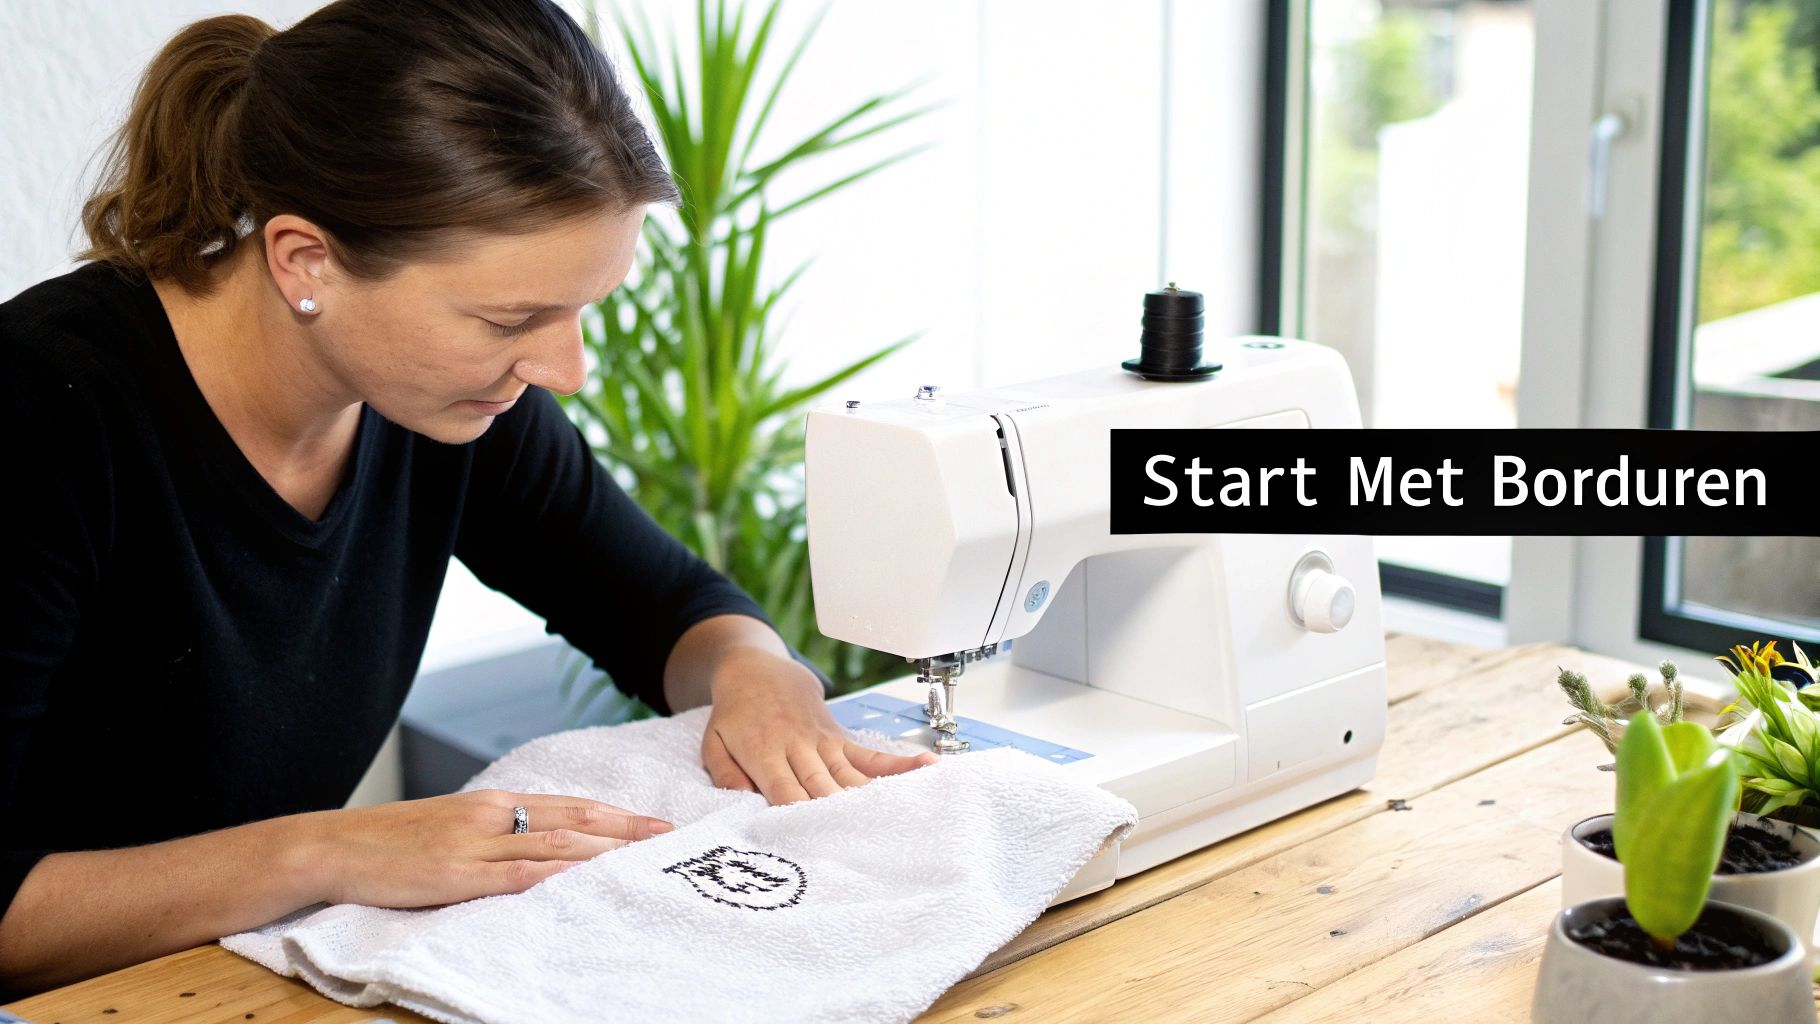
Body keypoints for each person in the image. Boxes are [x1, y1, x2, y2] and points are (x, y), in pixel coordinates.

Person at [0, 0, 936, 996]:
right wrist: (330, 853)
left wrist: (755, 673)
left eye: (582, 310)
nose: (564, 369)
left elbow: (666, 610)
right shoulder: (37, 417)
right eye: (512, 317)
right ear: (304, 259)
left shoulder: (442, 397)